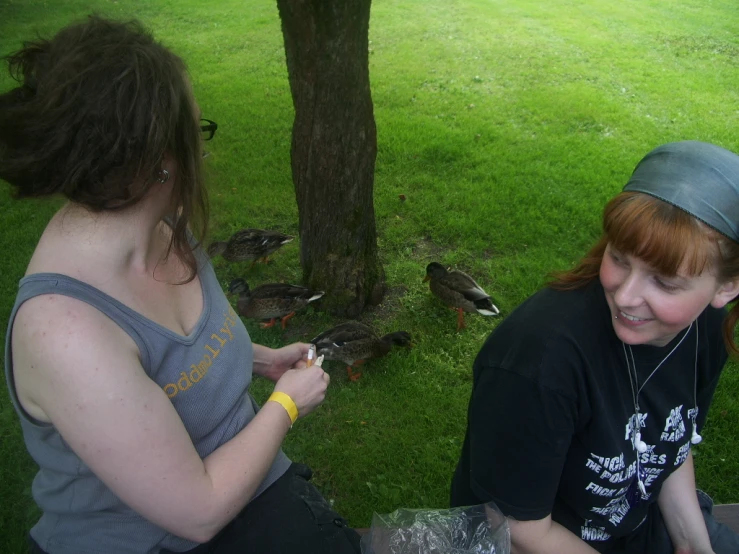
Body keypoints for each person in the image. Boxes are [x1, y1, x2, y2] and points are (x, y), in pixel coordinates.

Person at [1, 15, 360, 554]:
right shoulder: (66, 332)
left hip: (245, 484)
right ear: (156, 162)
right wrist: (285, 405)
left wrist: (261, 359)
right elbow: (198, 511)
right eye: (197, 131)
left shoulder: (165, 230)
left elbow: (179, 353)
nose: (204, 149)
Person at [450, 141, 739, 554]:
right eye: (619, 258)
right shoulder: (539, 359)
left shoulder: (705, 326)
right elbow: (518, 527)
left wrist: (694, 543)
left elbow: (667, 445)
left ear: (726, 287)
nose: (625, 296)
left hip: (633, 525)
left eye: (665, 282)